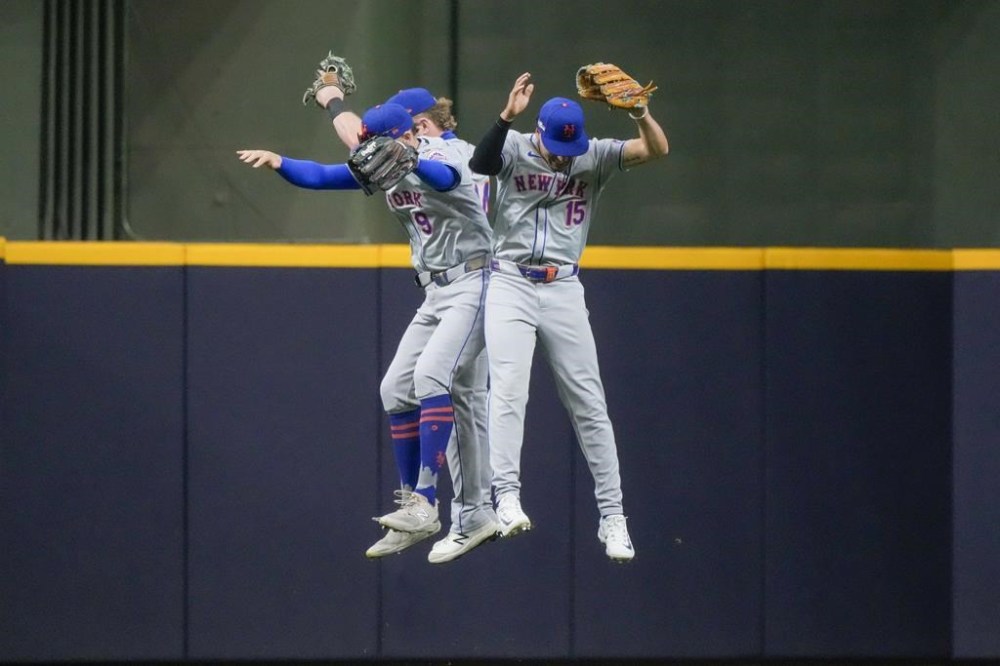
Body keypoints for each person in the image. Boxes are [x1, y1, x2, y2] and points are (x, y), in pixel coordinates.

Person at [237, 102, 498, 564]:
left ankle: (427, 499)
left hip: (476, 280)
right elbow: (320, 176)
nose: (371, 153)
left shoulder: (450, 154)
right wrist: (280, 162)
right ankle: (413, 507)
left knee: (433, 377)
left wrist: (412, 158)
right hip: (436, 291)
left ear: (412, 132)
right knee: (395, 389)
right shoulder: (387, 159)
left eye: (381, 143)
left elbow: (445, 180)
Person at [468, 72, 669, 562]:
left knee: (589, 403)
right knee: (509, 390)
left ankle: (614, 517)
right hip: (511, 280)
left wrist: (641, 113)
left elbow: (656, 150)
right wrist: (504, 116)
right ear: (539, 131)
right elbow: (481, 161)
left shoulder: (593, 153)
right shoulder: (514, 145)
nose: (564, 155)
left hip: (562, 286)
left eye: (570, 146)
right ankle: (507, 497)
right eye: (558, 145)